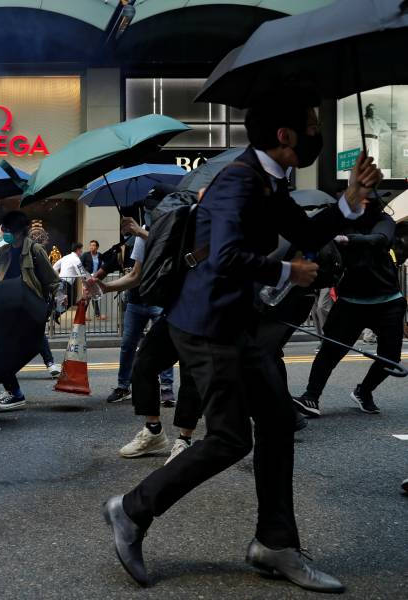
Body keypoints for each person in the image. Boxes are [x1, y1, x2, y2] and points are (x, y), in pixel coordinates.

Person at [102, 95, 382, 592]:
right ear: (285, 135)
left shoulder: (268, 179)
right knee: (231, 439)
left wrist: (349, 202)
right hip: (208, 326)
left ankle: (275, 544)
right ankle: (131, 510)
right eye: (312, 122)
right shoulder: (239, 181)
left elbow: (306, 230)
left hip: (238, 323)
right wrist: (286, 270)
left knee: (276, 422)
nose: (318, 129)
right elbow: (225, 257)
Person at [91, 218, 193, 461]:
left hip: (201, 311)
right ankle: (153, 430)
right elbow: (136, 275)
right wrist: (105, 287)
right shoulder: (143, 234)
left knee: (192, 376)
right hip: (172, 310)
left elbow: (188, 248)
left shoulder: (195, 222)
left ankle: (185, 439)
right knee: (144, 361)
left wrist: (145, 233)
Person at [292, 204, 405, 417]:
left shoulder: (383, 221)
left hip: (387, 301)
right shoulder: (340, 221)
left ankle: (364, 391)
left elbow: (380, 239)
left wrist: (346, 240)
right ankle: (311, 397)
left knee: (390, 359)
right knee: (330, 351)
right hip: (350, 302)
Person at [0, 210, 62, 410]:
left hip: (27, 309)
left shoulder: (35, 250)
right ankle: (13, 391)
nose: (3, 233)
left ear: (16, 232)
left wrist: (53, 306)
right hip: (6, 309)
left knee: (3, 352)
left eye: (6, 230)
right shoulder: (3, 251)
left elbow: (52, 280)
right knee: (0, 351)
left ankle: (14, 392)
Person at [96, 218, 176, 408]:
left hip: (158, 300)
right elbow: (130, 275)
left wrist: (140, 232)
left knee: (163, 344)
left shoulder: (161, 233)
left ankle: (166, 387)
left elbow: (168, 246)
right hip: (135, 301)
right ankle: (123, 386)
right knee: (127, 344)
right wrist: (98, 284)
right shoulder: (128, 246)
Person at [53, 243, 85, 308]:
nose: (82, 251)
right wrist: (85, 282)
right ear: (78, 250)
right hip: (66, 284)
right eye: (81, 249)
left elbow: (54, 267)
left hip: (60, 282)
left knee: (61, 301)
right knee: (69, 301)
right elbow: (81, 272)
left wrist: (59, 276)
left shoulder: (65, 257)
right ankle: (55, 316)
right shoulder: (76, 259)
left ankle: (54, 316)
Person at [363, 104, 391, 176]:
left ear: (376, 110)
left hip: (374, 141)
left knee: (374, 160)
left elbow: (389, 131)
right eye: (370, 109)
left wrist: (380, 135)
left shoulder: (380, 121)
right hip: (364, 141)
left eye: (374, 109)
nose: (372, 111)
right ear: (367, 110)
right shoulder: (363, 119)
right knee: (363, 160)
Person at [82, 241, 106, 320]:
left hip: (96, 278)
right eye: (91, 245)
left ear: (97, 247)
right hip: (88, 278)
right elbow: (80, 265)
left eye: (93, 245)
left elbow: (104, 266)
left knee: (93, 296)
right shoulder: (86, 255)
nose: (92, 247)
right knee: (88, 296)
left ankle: (95, 315)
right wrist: (84, 275)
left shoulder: (100, 256)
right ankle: (94, 315)